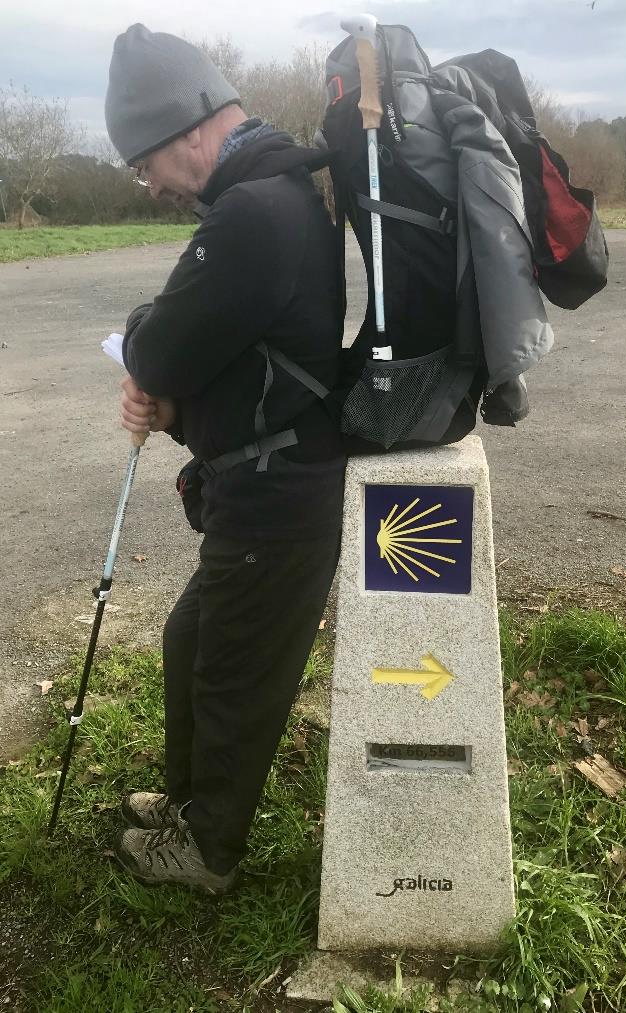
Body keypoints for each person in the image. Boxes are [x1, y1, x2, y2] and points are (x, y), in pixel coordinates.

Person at [104, 24, 345, 892]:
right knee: (193, 639)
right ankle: (187, 801)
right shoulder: (268, 195)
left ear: (189, 129)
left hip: (279, 494)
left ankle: (207, 851)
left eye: (146, 165)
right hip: (263, 476)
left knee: (235, 673)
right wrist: (173, 403)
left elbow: (161, 347)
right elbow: (233, 358)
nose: (152, 186)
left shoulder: (253, 212)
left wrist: (149, 350)